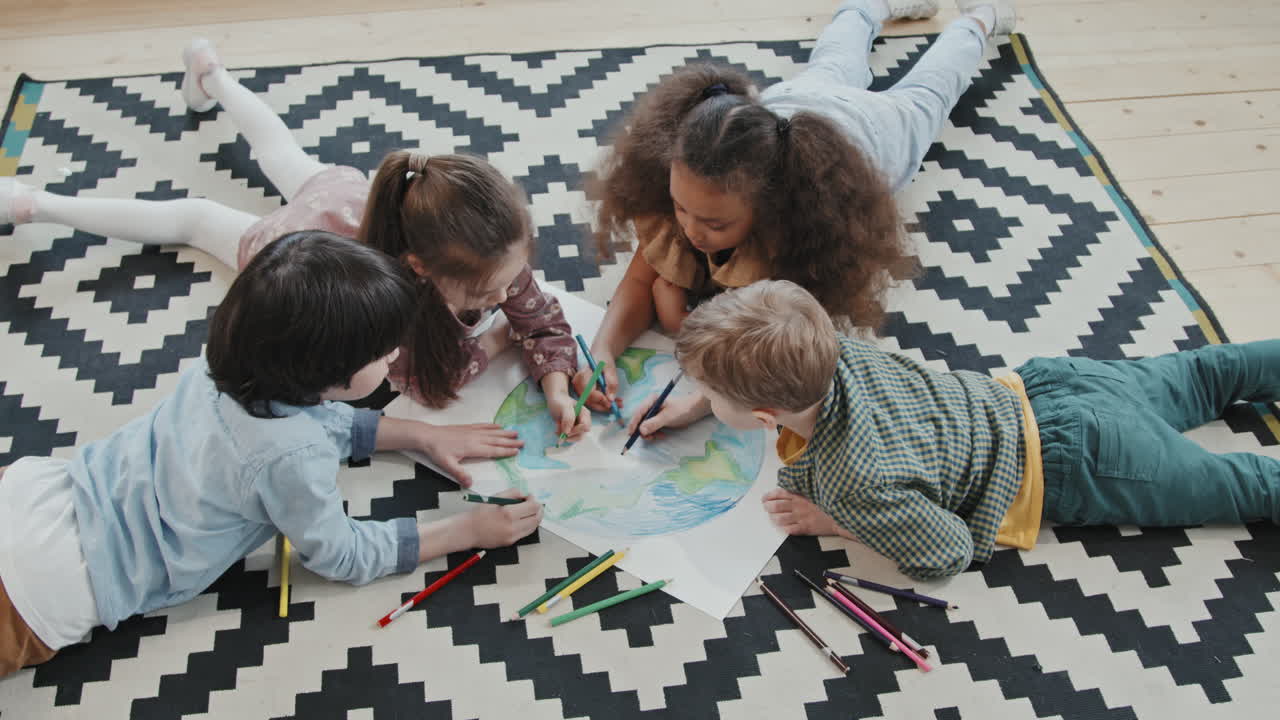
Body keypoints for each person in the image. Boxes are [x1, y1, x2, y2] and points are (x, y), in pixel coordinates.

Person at [1, 38, 588, 480]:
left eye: (508, 283)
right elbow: (433, 382)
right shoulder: (381, 310)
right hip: (306, 235)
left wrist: (556, 386)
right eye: (488, 295)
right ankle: (39, 204)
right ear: (420, 268)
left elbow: (541, 314)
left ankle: (216, 76)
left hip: (347, 198)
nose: (505, 299)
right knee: (196, 218)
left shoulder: (477, 246)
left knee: (282, 154)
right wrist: (500, 341)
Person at [0, 231, 544, 678]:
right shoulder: (292, 459)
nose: (395, 355)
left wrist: (419, 435)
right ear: (325, 369)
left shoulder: (228, 366)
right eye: (383, 353)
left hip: (37, 497)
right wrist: (466, 531)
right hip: (44, 593)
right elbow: (343, 554)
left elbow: (314, 413)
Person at [631, 279, 1280, 581]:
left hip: (1083, 464)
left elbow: (943, 551)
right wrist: (702, 399)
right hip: (1055, 385)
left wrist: (836, 521)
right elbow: (767, 374)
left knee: (1247, 483)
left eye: (710, 395)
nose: (703, 400)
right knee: (1209, 374)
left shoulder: (857, 481)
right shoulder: (834, 352)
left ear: (766, 418)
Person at [575, 0, 1016, 417]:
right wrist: (602, 352)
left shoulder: (804, 236)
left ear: (768, 208)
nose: (690, 230)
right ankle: (871, 6)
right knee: (832, 62)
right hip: (793, 105)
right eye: (679, 207)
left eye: (714, 223)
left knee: (927, 93)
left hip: (875, 133)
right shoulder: (708, 178)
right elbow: (638, 280)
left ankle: (978, 19)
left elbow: (775, 358)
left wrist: (698, 402)